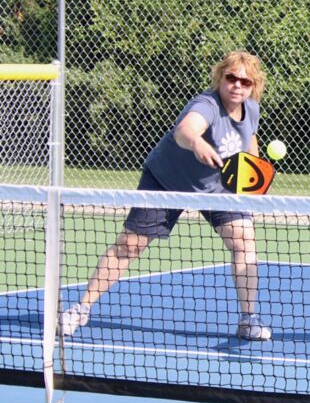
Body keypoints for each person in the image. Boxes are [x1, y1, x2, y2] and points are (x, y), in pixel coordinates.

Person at [60, 50, 271, 341]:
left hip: (218, 187)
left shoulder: (251, 108)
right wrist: (196, 142)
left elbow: (250, 139)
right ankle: (80, 309)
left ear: (253, 86)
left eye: (245, 82)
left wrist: (252, 177)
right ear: (220, 77)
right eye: (231, 77)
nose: (237, 85)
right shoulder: (206, 104)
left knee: (244, 241)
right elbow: (185, 131)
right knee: (130, 246)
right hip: (167, 181)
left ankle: (249, 319)